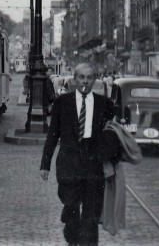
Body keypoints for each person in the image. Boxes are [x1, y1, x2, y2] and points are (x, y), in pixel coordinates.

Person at [40, 62, 116, 246]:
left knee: (91, 215)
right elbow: (52, 135)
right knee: (71, 210)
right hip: (69, 164)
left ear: (94, 80)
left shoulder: (104, 104)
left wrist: (110, 161)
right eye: (81, 77)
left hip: (93, 165)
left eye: (89, 78)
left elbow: (110, 135)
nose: (85, 81)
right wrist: (45, 164)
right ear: (75, 80)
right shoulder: (62, 103)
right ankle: (72, 238)